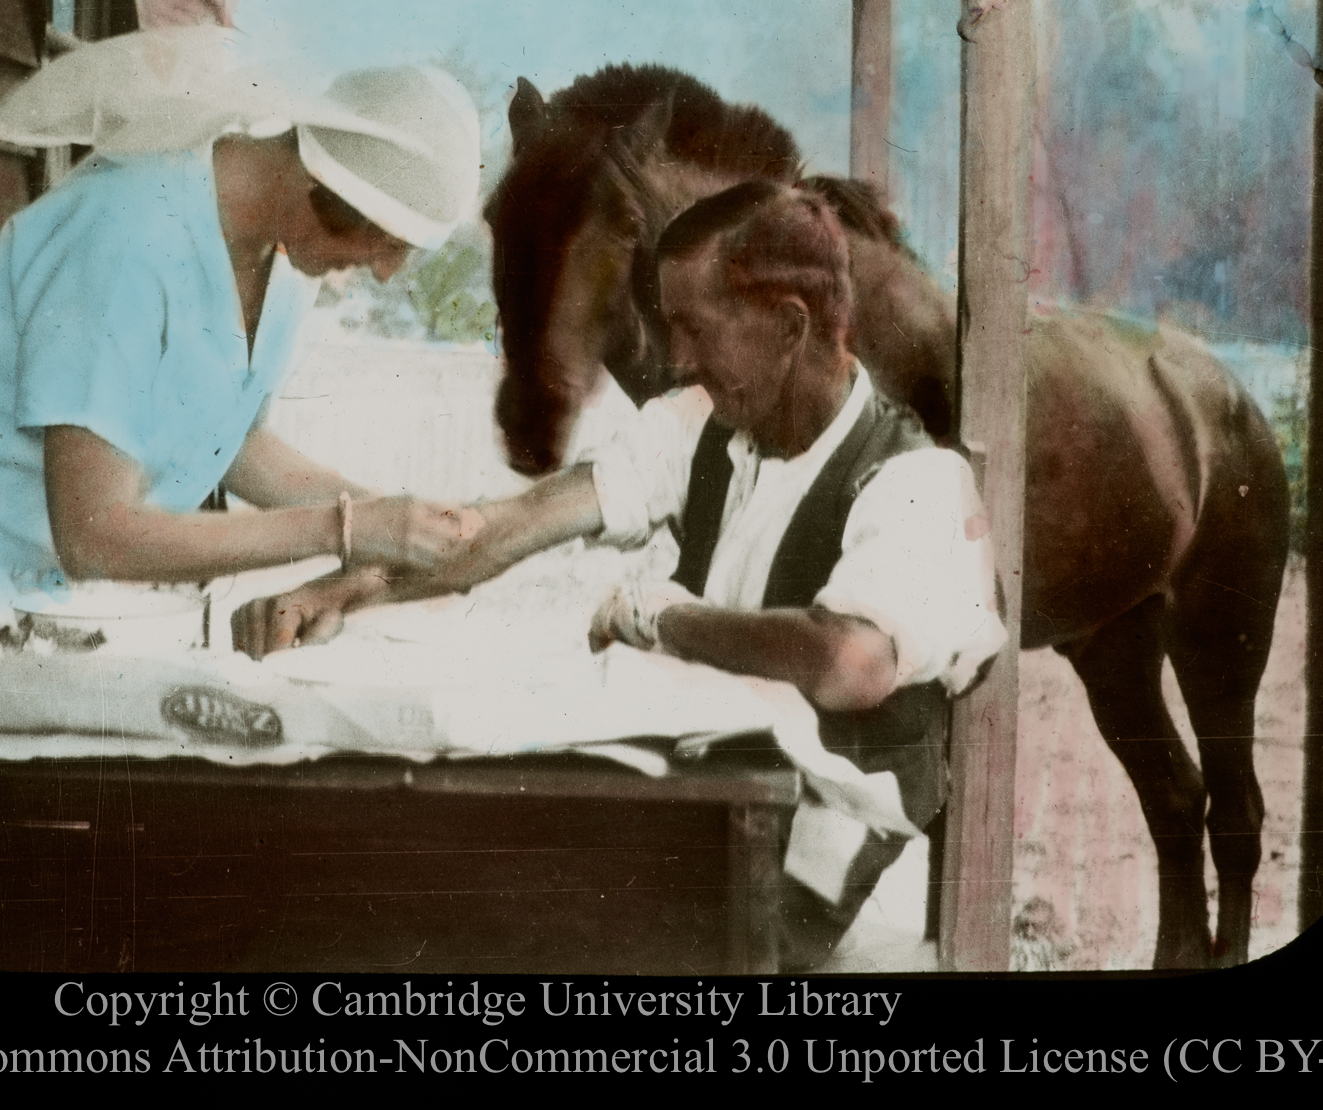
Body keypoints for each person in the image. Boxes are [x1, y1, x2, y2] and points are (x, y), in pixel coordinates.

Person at [236, 178, 1005, 966]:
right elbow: (508, 530)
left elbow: (847, 663)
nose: (678, 358)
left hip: (837, 849)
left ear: (787, 326)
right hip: (720, 811)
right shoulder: (704, 424)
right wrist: (343, 588)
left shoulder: (915, 481)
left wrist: (659, 617)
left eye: (695, 330)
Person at [0, 36, 487, 617]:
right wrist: (344, 528)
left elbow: (231, 441)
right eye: (387, 246)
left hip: (31, 581)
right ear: (326, 199)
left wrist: (390, 515)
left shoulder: (283, 257)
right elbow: (95, 534)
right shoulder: (126, 236)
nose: (387, 274)